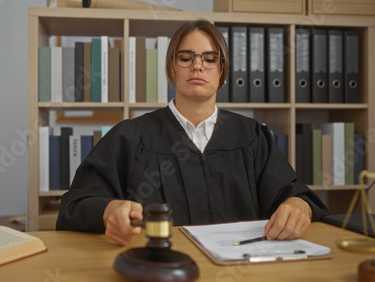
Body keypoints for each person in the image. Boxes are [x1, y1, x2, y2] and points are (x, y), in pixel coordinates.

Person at [56, 19, 329, 246]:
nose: (197, 66)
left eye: (210, 59)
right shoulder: (131, 137)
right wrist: (108, 211)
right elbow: (76, 204)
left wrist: (298, 206)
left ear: (221, 71)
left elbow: (294, 194)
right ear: (171, 69)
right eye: (185, 58)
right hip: (160, 271)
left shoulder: (252, 137)